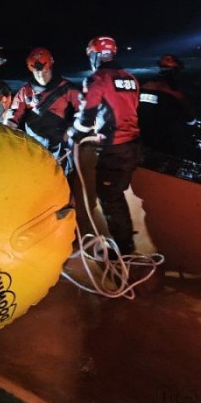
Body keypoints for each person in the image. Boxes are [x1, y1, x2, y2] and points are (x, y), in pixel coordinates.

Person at [68, 36, 140, 255]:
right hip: (133, 146)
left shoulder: (97, 79)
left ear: (95, 55)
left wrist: (74, 134)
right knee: (116, 195)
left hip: (113, 149)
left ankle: (124, 253)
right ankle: (125, 244)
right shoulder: (131, 78)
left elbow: (86, 115)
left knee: (110, 198)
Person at [5, 47, 81, 174]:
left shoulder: (68, 88)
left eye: (44, 72)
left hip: (59, 143)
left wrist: (71, 131)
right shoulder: (25, 92)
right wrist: (7, 132)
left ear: (50, 67)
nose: (41, 76)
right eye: (37, 73)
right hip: (34, 145)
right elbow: (13, 116)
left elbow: (84, 112)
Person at [138, 54, 196, 156]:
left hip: (145, 132)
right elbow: (189, 116)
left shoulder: (145, 85)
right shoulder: (174, 90)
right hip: (164, 135)